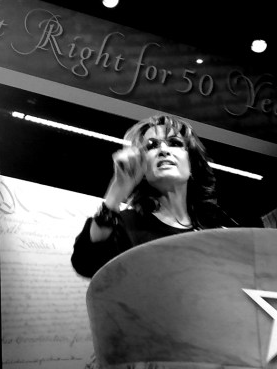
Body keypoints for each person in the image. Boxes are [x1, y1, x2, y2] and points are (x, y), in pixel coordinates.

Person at [71, 114, 237, 278]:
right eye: (151, 146)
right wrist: (116, 193)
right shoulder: (127, 225)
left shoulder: (216, 230)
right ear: (143, 166)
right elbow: (86, 263)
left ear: (192, 162)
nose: (163, 150)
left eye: (175, 143)